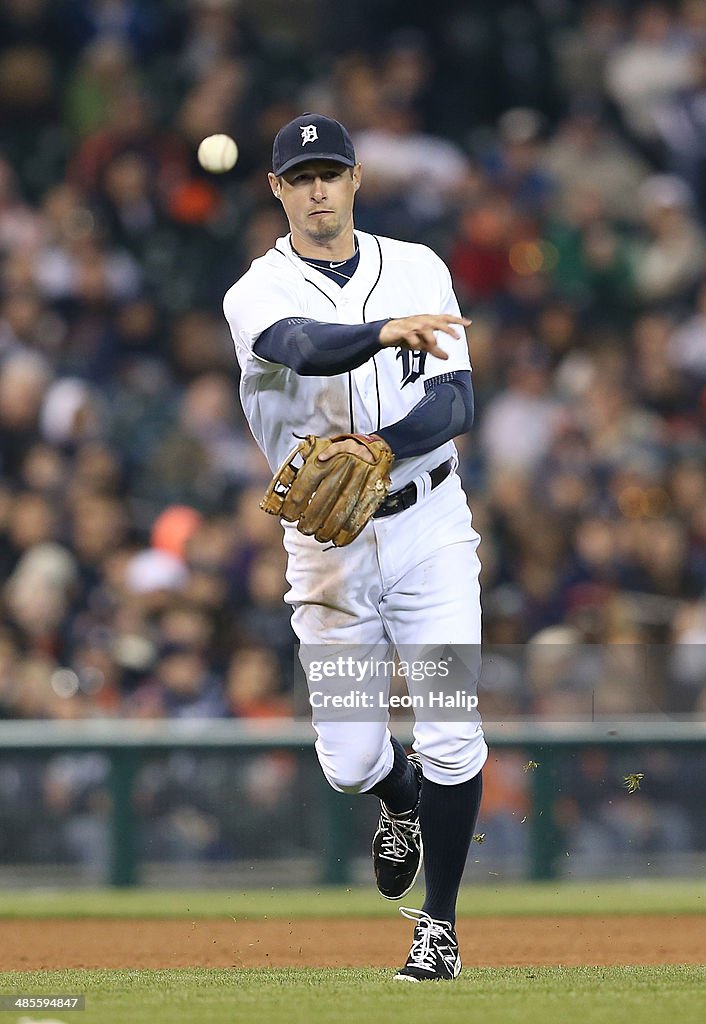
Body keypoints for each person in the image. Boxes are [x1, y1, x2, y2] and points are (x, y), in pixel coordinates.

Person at [223, 112, 486, 982]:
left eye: (330, 172)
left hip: (429, 530)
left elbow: (455, 404)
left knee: (452, 730)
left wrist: (381, 447)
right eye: (300, 177)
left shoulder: (417, 267)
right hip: (327, 548)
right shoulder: (255, 290)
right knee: (349, 761)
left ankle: (438, 930)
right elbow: (297, 346)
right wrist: (381, 333)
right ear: (277, 189)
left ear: (356, 178)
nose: (317, 189)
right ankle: (396, 796)